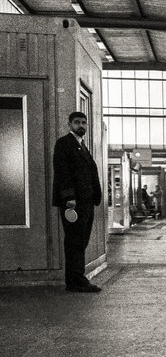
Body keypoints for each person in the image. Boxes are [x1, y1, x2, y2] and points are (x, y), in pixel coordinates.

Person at [52, 111, 102, 293]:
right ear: (69, 124)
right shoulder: (64, 144)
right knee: (75, 241)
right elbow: (62, 172)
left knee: (81, 241)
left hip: (86, 202)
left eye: (84, 123)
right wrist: (69, 197)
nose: (81, 125)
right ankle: (76, 281)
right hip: (74, 203)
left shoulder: (81, 145)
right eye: (77, 122)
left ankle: (77, 279)